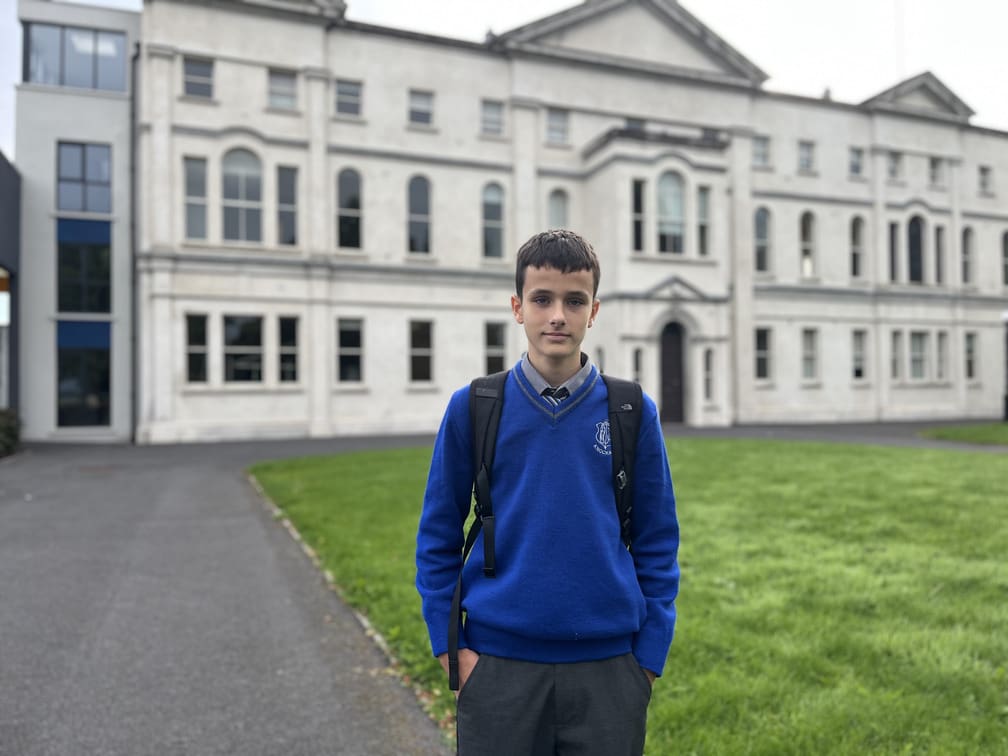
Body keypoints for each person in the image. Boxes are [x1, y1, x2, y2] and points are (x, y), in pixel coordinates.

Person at [415, 229, 680, 756]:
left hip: (609, 670)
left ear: (593, 311)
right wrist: (452, 651)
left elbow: (657, 541)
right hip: (498, 667)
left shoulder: (630, 411)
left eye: (574, 300)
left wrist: (647, 657)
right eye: (542, 299)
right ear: (518, 308)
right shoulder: (475, 408)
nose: (557, 314)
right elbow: (437, 537)